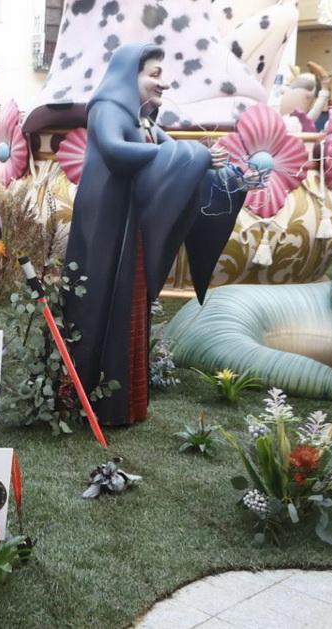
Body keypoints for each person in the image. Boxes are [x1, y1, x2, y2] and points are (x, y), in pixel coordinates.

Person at [63, 44, 249, 425]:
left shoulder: (144, 120)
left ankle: (123, 402)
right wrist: (192, 155)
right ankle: (85, 397)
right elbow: (114, 151)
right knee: (98, 304)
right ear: (129, 75)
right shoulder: (107, 109)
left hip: (130, 228)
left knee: (129, 305)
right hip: (105, 229)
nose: (163, 83)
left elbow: (175, 151)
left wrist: (213, 166)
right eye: (154, 73)